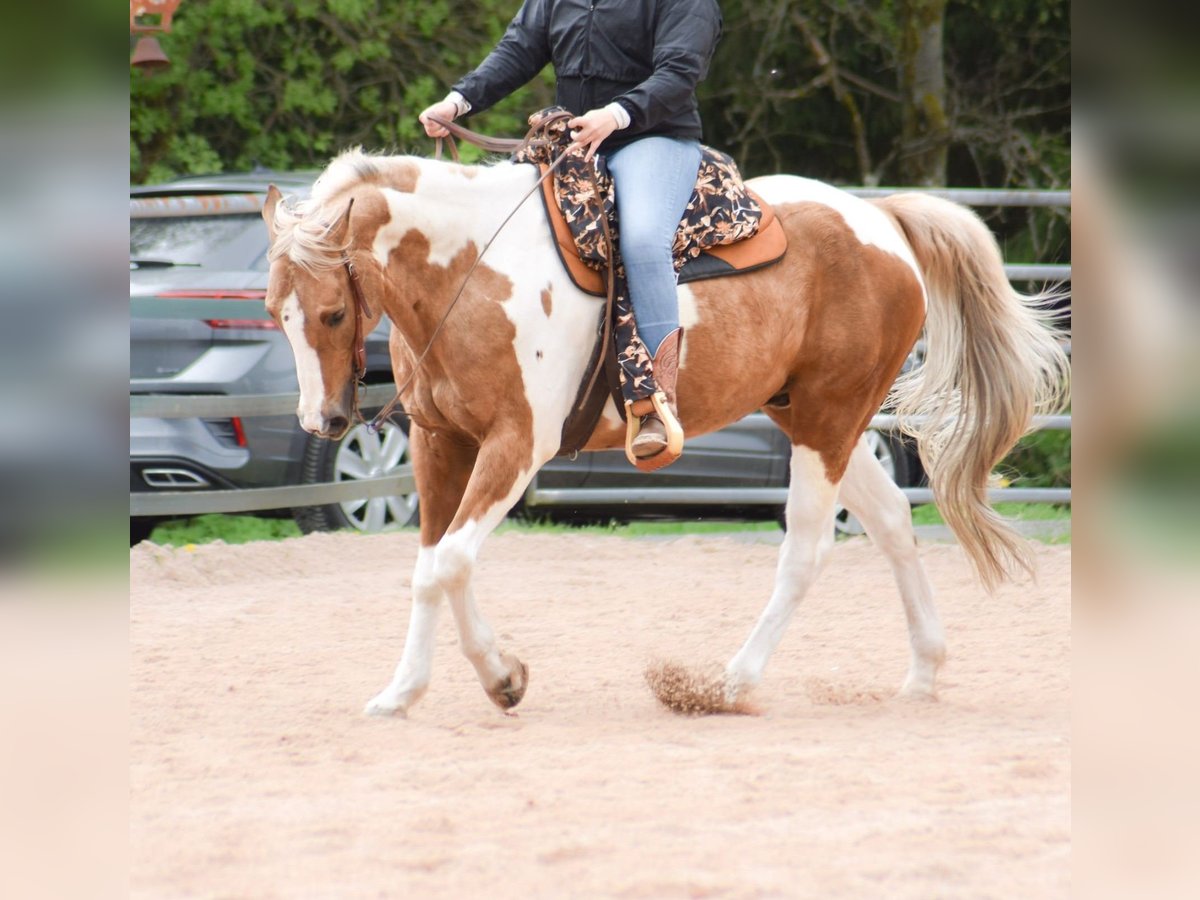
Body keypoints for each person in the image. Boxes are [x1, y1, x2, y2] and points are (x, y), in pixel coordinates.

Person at [419, 0, 723, 460]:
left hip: (653, 139)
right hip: (576, 141)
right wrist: (457, 102)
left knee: (641, 242)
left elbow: (679, 71)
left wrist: (617, 113)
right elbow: (519, 49)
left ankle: (658, 400)